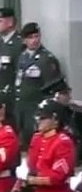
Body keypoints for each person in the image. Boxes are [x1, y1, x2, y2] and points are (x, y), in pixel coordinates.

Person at [14, 23, 65, 151]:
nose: (34, 40)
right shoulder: (22, 56)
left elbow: (53, 88)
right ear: (24, 40)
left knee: (37, 144)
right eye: (31, 37)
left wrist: (45, 111)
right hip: (22, 107)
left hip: (36, 107)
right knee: (24, 143)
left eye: (37, 36)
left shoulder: (46, 59)